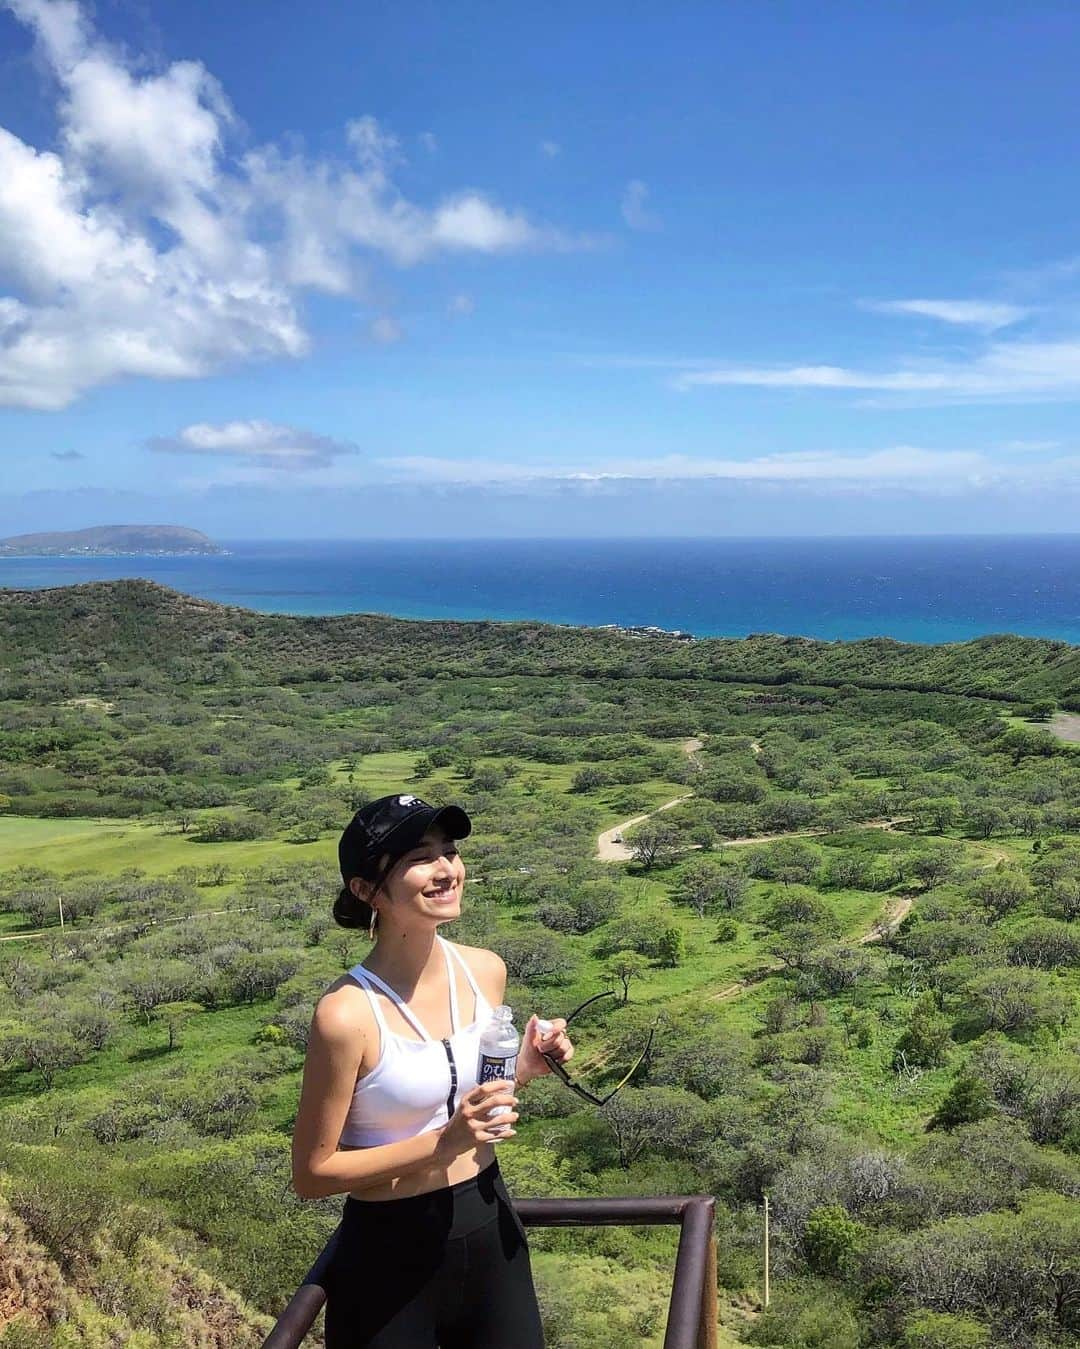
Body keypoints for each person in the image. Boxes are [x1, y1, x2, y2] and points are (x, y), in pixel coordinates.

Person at [292, 793, 574, 1348]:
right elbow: (312, 1174)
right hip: (387, 1254)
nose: (447, 869)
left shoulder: (485, 971)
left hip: (489, 1219)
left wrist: (523, 1067)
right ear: (366, 890)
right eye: (421, 857)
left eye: (450, 851)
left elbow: (465, 1099)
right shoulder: (346, 1015)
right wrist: (442, 1145)